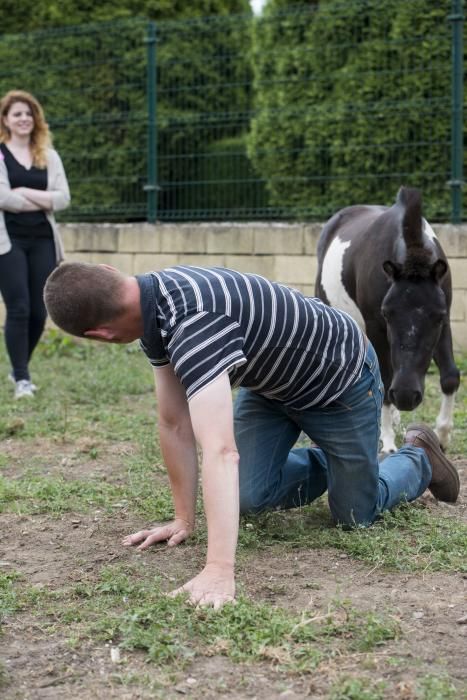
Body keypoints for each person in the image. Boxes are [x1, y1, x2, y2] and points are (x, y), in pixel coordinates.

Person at [44, 262, 460, 608]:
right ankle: (341, 465)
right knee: (244, 497)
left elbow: (221, 450)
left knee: (355, 514)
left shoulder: (195, 323)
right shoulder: (153, 306)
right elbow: (174, 422)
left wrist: (218, 570)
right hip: (273, 389)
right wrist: (184, 518)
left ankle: (416, 457)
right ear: (111, 271)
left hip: (340, 384)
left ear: (101, 336)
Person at [0, 90, 70, 399]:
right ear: (5, 120)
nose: (24, 118)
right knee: (19, 307)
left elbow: (63, 198)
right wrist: (44, 201)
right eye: (17, 113)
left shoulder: (49, 155)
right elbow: (2, 198)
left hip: (43, 239)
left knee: (39, 312)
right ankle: (23, 380)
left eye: (28, 113)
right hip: (8, 241)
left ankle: (18, 370)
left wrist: (25, 190)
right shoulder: (0, 153)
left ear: (35, 119)